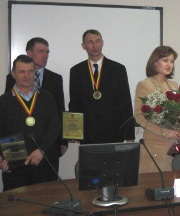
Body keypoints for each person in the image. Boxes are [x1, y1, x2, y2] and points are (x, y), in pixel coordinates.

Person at [0, 55, 61, 191]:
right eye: (21, 71)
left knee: (47, 205)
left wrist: (41, 150)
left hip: (44, 163)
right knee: (17, 209)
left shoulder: (47, 97)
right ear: (13, 74)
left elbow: (55, 127)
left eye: (30, 71)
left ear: (35, 73)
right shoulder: (3, 101)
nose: (26, 75)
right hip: (15, 167)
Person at [5, 38, 66, 172]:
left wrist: (63, 140)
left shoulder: (51, 87)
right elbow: (7, 122)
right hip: (17, 155)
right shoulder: (6, 92)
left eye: (47, 52)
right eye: (41, 51)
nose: (45, 55)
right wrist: (6, 157)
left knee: (47, 190)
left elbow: (58, 117)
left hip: (47, 150)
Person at [69, 29, 135, 144]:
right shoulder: (76, 71)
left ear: (102, 43)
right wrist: (73, 132)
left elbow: (126, 102)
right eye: (90, 42)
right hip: (88, 133)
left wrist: (129, 135)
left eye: (98, 41)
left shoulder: (118, 69)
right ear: (83, 46)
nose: (95, 45)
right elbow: (74, 102)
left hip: (114, 132)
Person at [134, 46, 180, 173]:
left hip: (174, 145)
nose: (169, 64)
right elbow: (139, 116)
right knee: (154, 185)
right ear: (155, 62)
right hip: (155, 145)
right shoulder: (145, 85)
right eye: (165, 60)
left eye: (172, 61)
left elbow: (179, 115)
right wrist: (164, 132)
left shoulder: (174, 85)